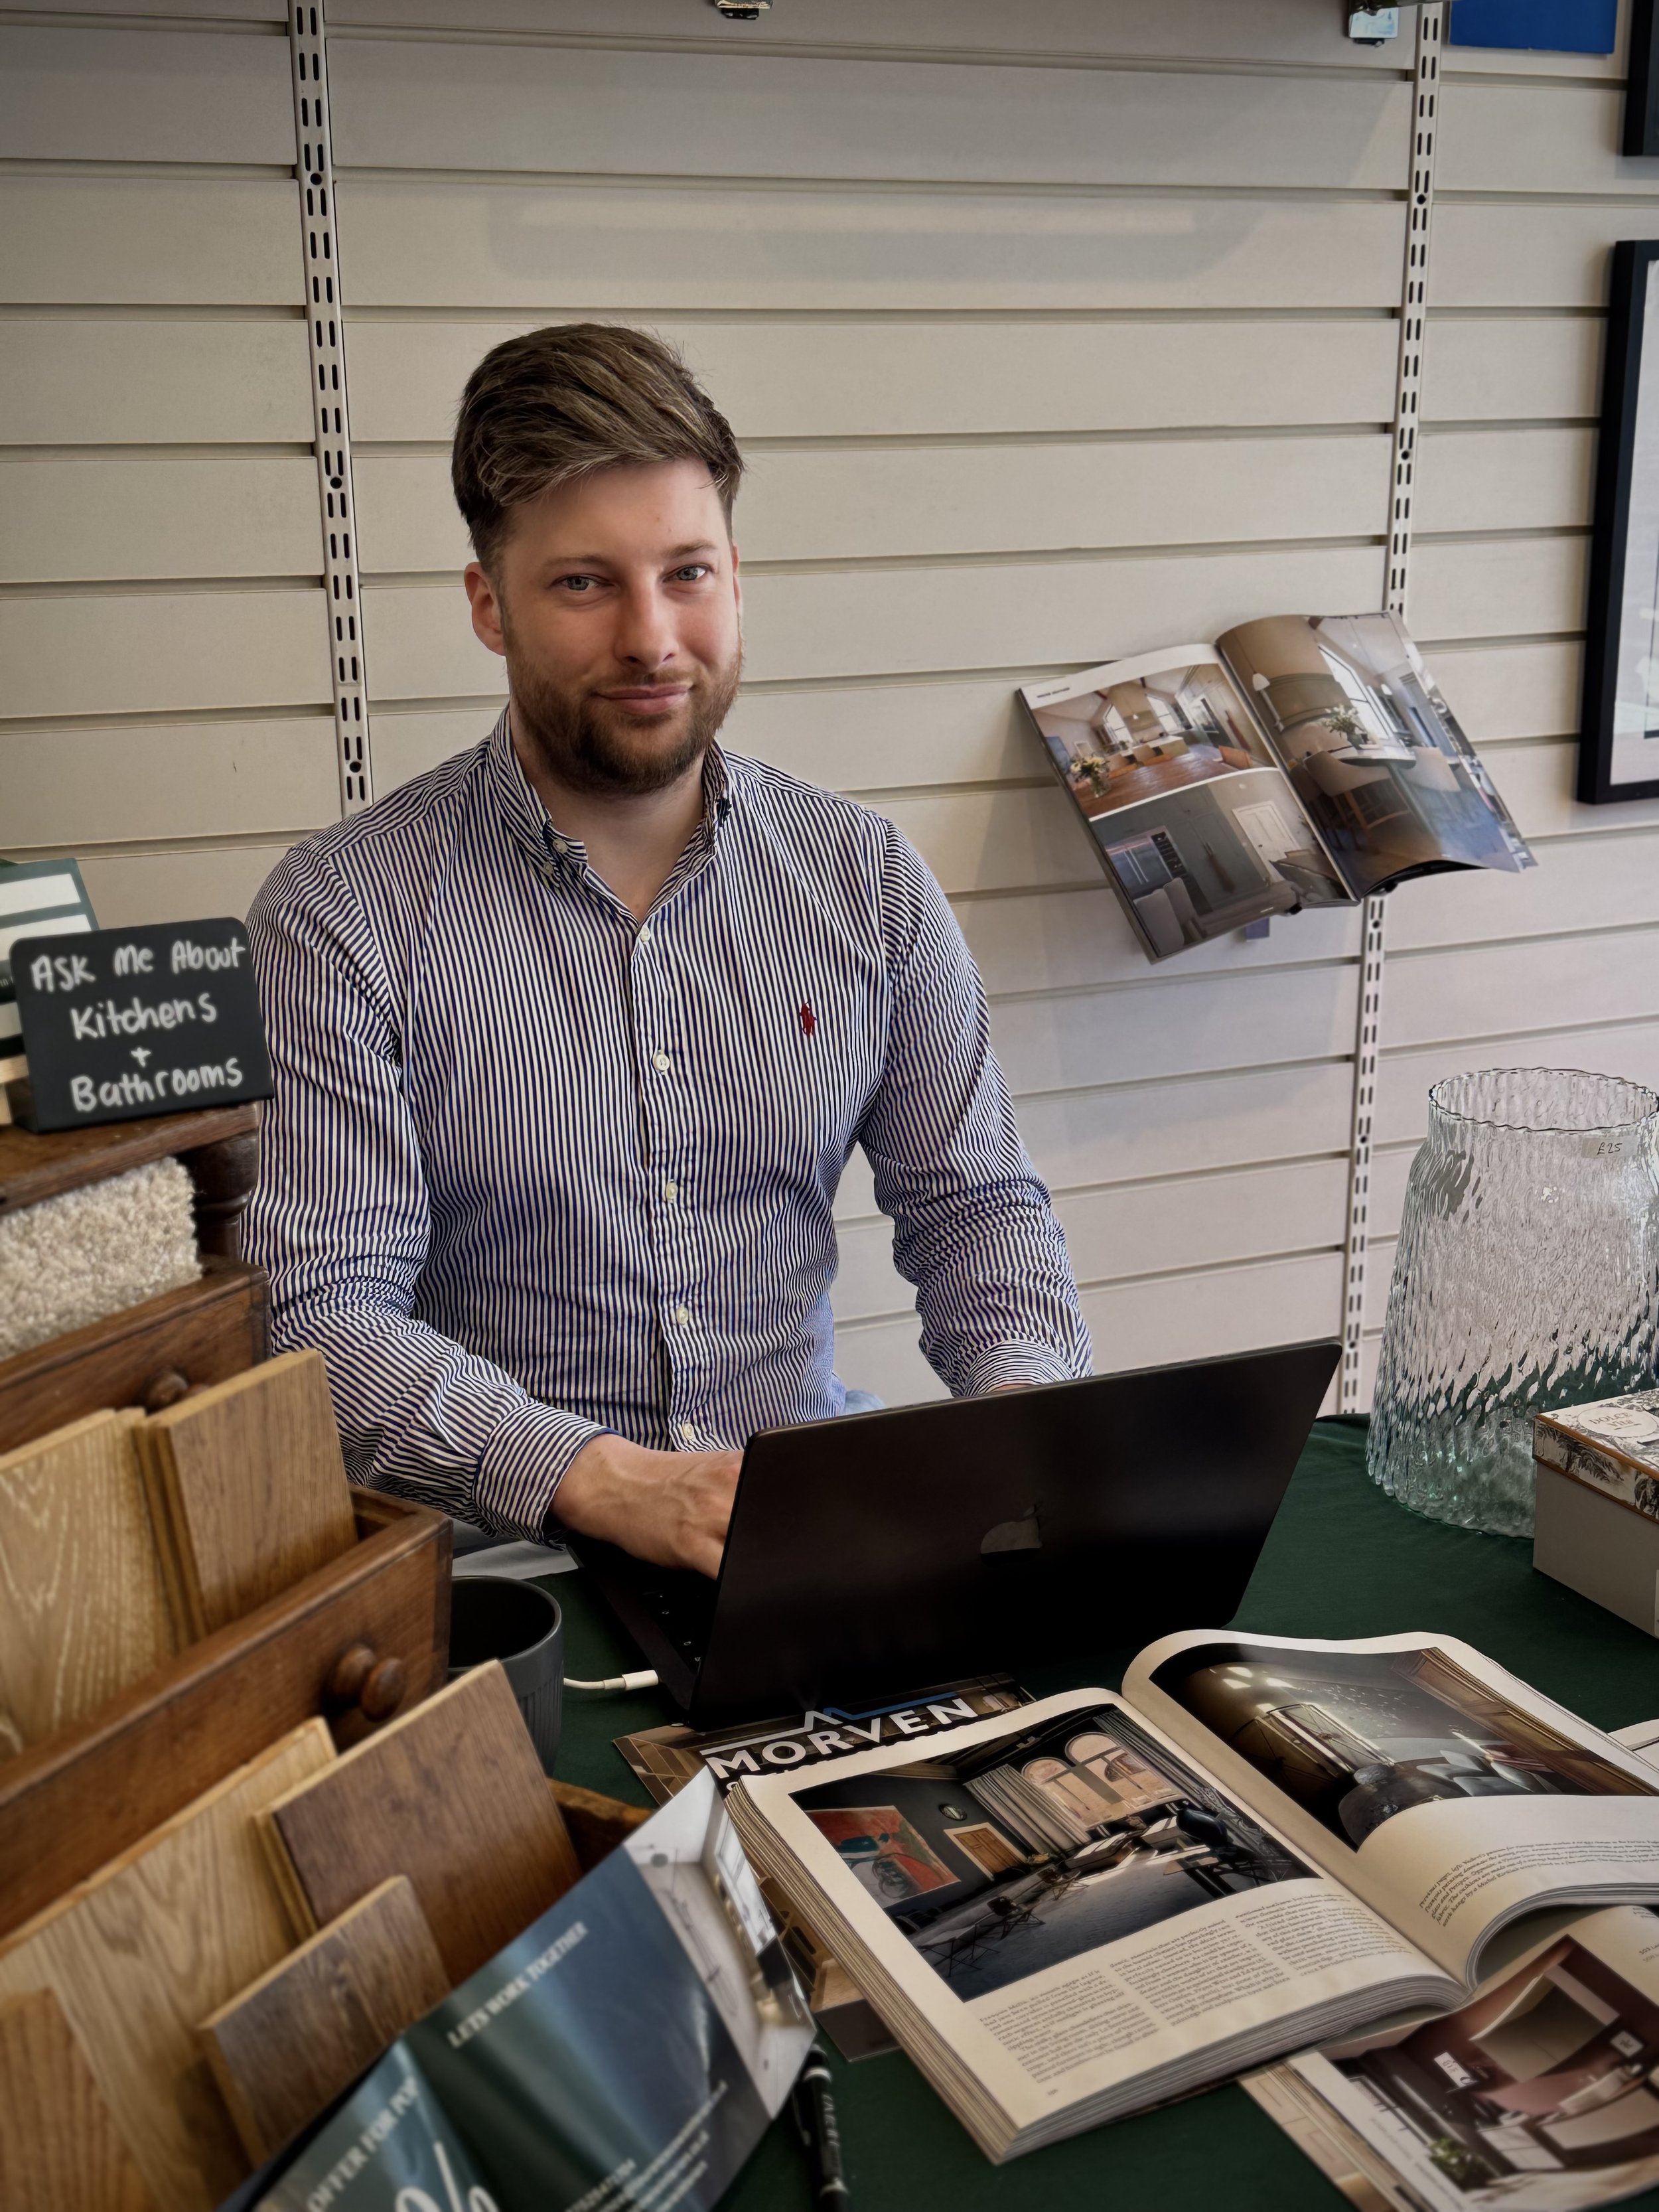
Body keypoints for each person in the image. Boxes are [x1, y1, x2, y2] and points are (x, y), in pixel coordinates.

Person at [246, 324, 1090, 1577]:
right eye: (584, 583)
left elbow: (976, 1212)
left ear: (736, 579)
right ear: (490, 605)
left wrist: (1020, 1434)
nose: (651, 638)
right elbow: (319, 1317)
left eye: (686, 573)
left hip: (814, 1535)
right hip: (506, 1571)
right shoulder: (338, 917)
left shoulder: (863, 880)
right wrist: (608, 1483)